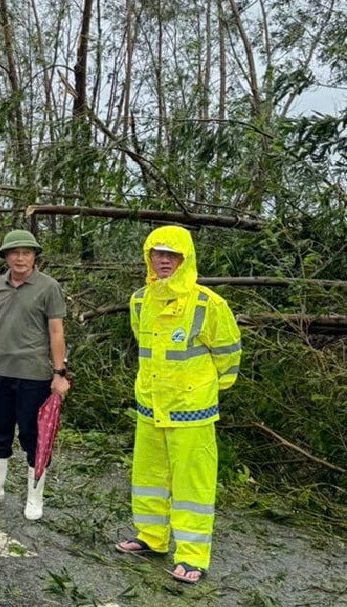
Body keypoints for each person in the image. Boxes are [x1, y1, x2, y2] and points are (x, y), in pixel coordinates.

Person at [114, 225, 242, 585]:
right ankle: (151, 538)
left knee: (193, 484)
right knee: (149, 475)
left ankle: (192, 555)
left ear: (185, 259)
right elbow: (144, 343)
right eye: (159, 253)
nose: (165, 260)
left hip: (191, 409)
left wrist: (206, 389)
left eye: (173, 254)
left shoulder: (208, 304)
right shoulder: (140, 300)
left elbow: (229, 355)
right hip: (150, 405)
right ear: (148, 257)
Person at [0, 229, 70, 520]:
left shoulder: (48, 287)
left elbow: (56, 331)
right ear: (6, 257)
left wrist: (59, 372)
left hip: (34, 375)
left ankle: (34, 498)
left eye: (26, 252)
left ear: (35, 256)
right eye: (14, 253)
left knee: (32, 435)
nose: (20, 258)